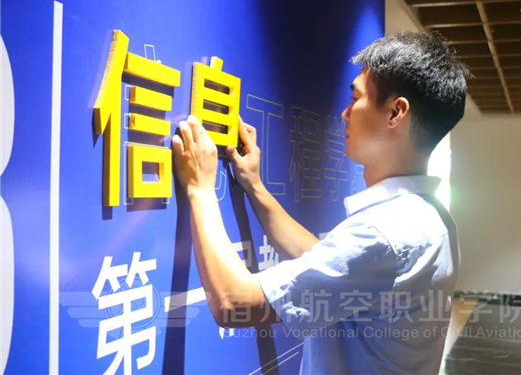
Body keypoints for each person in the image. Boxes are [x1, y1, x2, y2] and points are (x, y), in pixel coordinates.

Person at [171, 31, 469, 375]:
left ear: (395, 112)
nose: (345, 113)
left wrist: (200, 187)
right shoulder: (431, 219)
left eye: (355, 98)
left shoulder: (383, 233)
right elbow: (328, 262)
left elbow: (233, 302)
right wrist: (254, 185)